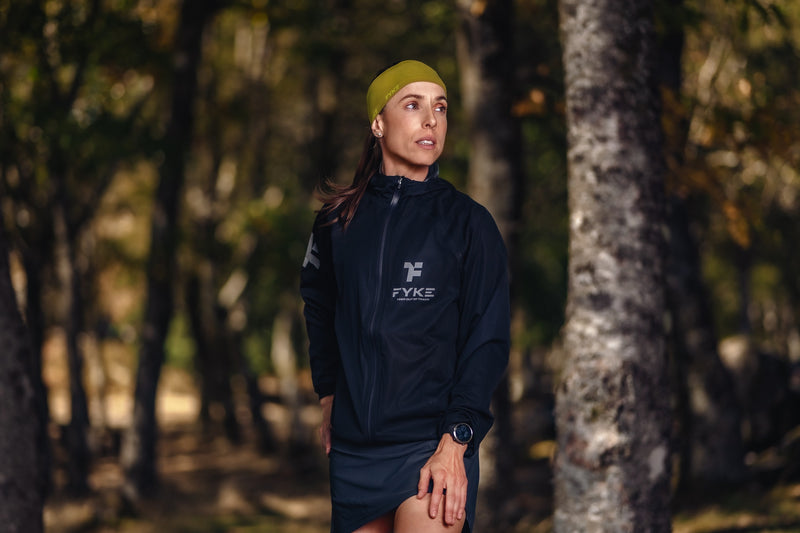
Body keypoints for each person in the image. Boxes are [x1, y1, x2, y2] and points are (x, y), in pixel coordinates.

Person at [300, 59, 510, 533]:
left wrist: (457, 440)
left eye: (441, 107)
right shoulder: (336, 223)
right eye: (412, 105)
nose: (430, 120)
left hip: (430, 447)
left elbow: (488, 340)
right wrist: (329, 393)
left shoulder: (469, 223)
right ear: (378, 123)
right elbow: (319, 307)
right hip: (354, 452)